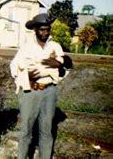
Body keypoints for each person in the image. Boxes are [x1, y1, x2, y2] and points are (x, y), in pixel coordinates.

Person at [10, 13, 69, 159]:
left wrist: (59, 65)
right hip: (31, 91)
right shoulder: (26, 47)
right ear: (35, 30)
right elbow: (13, 67)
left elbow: (65, 71)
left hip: (49, 90)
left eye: (47, 29)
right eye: (42, 29)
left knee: (46, 129)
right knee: (26, 131)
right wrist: (26, 76)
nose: (45, 32)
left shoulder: (55, 47)